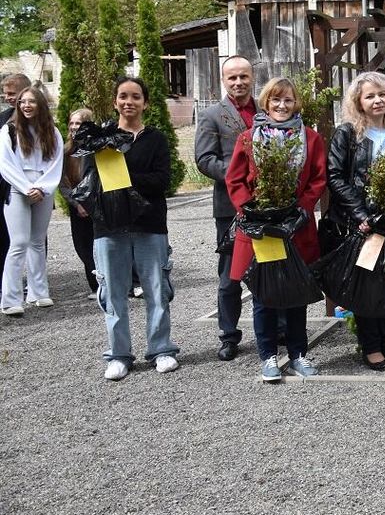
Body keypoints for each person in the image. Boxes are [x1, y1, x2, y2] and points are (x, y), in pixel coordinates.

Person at [226, 77, 328, 382]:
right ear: (266, 103)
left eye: (288, 100)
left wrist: (301, 208)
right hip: (263, 228)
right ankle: (268, 355)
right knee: (264, 293)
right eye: (275, 100)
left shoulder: (311, 138)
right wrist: (252, 209)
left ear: (296, 103)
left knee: (296, 292)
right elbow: (235, 180)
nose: (282, 106)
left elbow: (318, 179)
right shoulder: (248, 138)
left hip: (296, 227)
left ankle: (298, 354)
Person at [324, 72, 385, 371]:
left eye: (382, 94)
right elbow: (336, 176)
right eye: (370, 96)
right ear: (358, 102)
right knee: (367, 285)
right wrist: (361, 215)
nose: (377, 100)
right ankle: (371, 346)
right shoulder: (348, 134)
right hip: (363, 223)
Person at [93, 77, 179, 381]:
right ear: (115, 101)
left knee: (157, 289)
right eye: (123, 96)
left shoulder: (155, 139)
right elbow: (92, 180)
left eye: (136, 97)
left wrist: (124, 175)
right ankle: (118, 355)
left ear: (146, 103)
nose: (129, 102)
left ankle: (162, 349)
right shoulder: (101, 138)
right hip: (108, 225)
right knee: (112, 292)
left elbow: (162, 181)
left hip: (150, 224)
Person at [194, 55, 256, 361]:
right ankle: (229, 335)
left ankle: (278, 328)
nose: (238, 82)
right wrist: (238, 178)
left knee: (269, 268)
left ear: (252, 77)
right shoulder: (211, 115)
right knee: (231, 274)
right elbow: (204, 159)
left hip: (265, 204)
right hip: (230, 206)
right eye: (232, 78)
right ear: (223, 80)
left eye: (243, 76)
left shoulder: (266, 110)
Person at [0, 86, 64, 316]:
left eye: (31, 102)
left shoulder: (53, 132)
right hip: (18, 190)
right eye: (22, 102)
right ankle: (10, 299)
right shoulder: (8, 131)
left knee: (37, 242)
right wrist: (27, 188)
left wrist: (43, 188)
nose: (26, 106)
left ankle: (39, 292)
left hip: (43, 190)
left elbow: (56, 162)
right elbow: (5, 165)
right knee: (18, 243)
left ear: (41, 105)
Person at [60, 108, 97, 299]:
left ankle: (106, 283)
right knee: (82, 246)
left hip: (96, 205)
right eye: (72, 123)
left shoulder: (96, 149)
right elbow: (63, 182)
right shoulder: (66, 152)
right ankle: (95, 286)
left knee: (99, 245)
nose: (74, 127)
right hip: (76, 206)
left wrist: (88, 203)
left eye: (79, 123)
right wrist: (76, 204)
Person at [0, 73, 32, 280]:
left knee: (34, 238)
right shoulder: (3, 119)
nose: (7, 98)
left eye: (11, 93)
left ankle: (33, 281)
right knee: (5, 235)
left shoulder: (40, 120)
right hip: (5, 184)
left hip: (33, 184)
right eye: (5, 94)